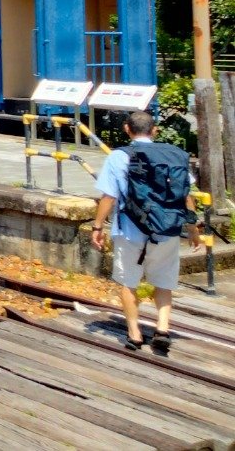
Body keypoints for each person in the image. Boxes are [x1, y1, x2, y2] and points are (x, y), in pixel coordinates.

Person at [91, 110, 201, 353]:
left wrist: (97, 226)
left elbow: (109, 196)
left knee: (128, 282)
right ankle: (162, 329)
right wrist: (193, 229)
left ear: (127, 130)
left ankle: (135, 333)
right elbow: (186, 195)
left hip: (130, 230)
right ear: (155, 130)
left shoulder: (119, 156)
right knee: (163, 281)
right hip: (167, 230)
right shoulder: (172, 155)